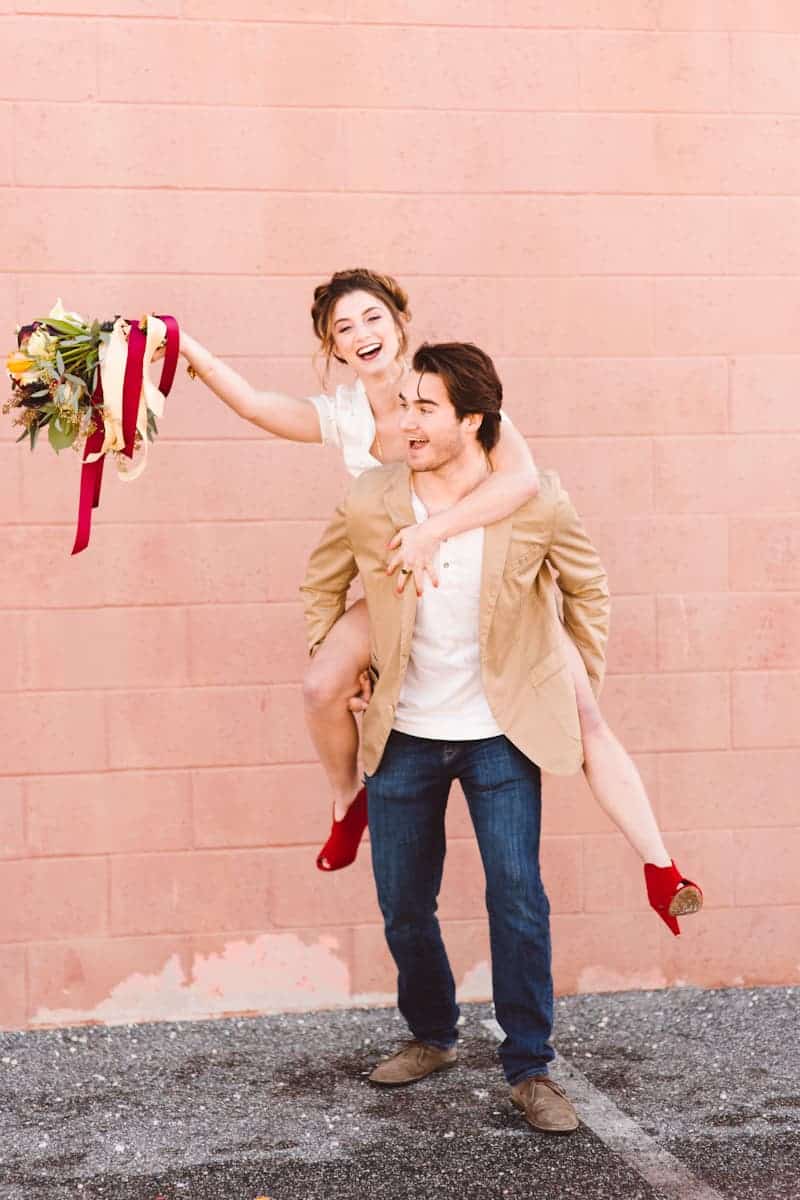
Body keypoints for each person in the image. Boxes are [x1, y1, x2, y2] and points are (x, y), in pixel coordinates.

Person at [177, 269, 702, 933]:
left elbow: (522, 482)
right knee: (320, 686)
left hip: (485, 582)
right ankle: (346, 802)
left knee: (586, 716)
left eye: (372, 318)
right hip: (401, 588)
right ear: (333, 347)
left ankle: (660, 867)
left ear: (400, 322)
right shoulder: (344, 417)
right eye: (343, 328)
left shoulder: (452, 392)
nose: (361, 334)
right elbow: (255, 404)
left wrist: (433, 531)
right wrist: (183, 346)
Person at [301, 341, 613, 1131]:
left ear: (472, 420)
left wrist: (577, 684)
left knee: (517, 897)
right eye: (403, 404)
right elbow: (322, 582)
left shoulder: (534, 499)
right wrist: (340, 660)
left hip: (499, 736)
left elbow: (588, 588)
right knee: (404, 903)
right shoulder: (371, 499)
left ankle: (531, 1068)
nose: (405, 421)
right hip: (403, 733)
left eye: (424, 408)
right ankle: (433, 1033)